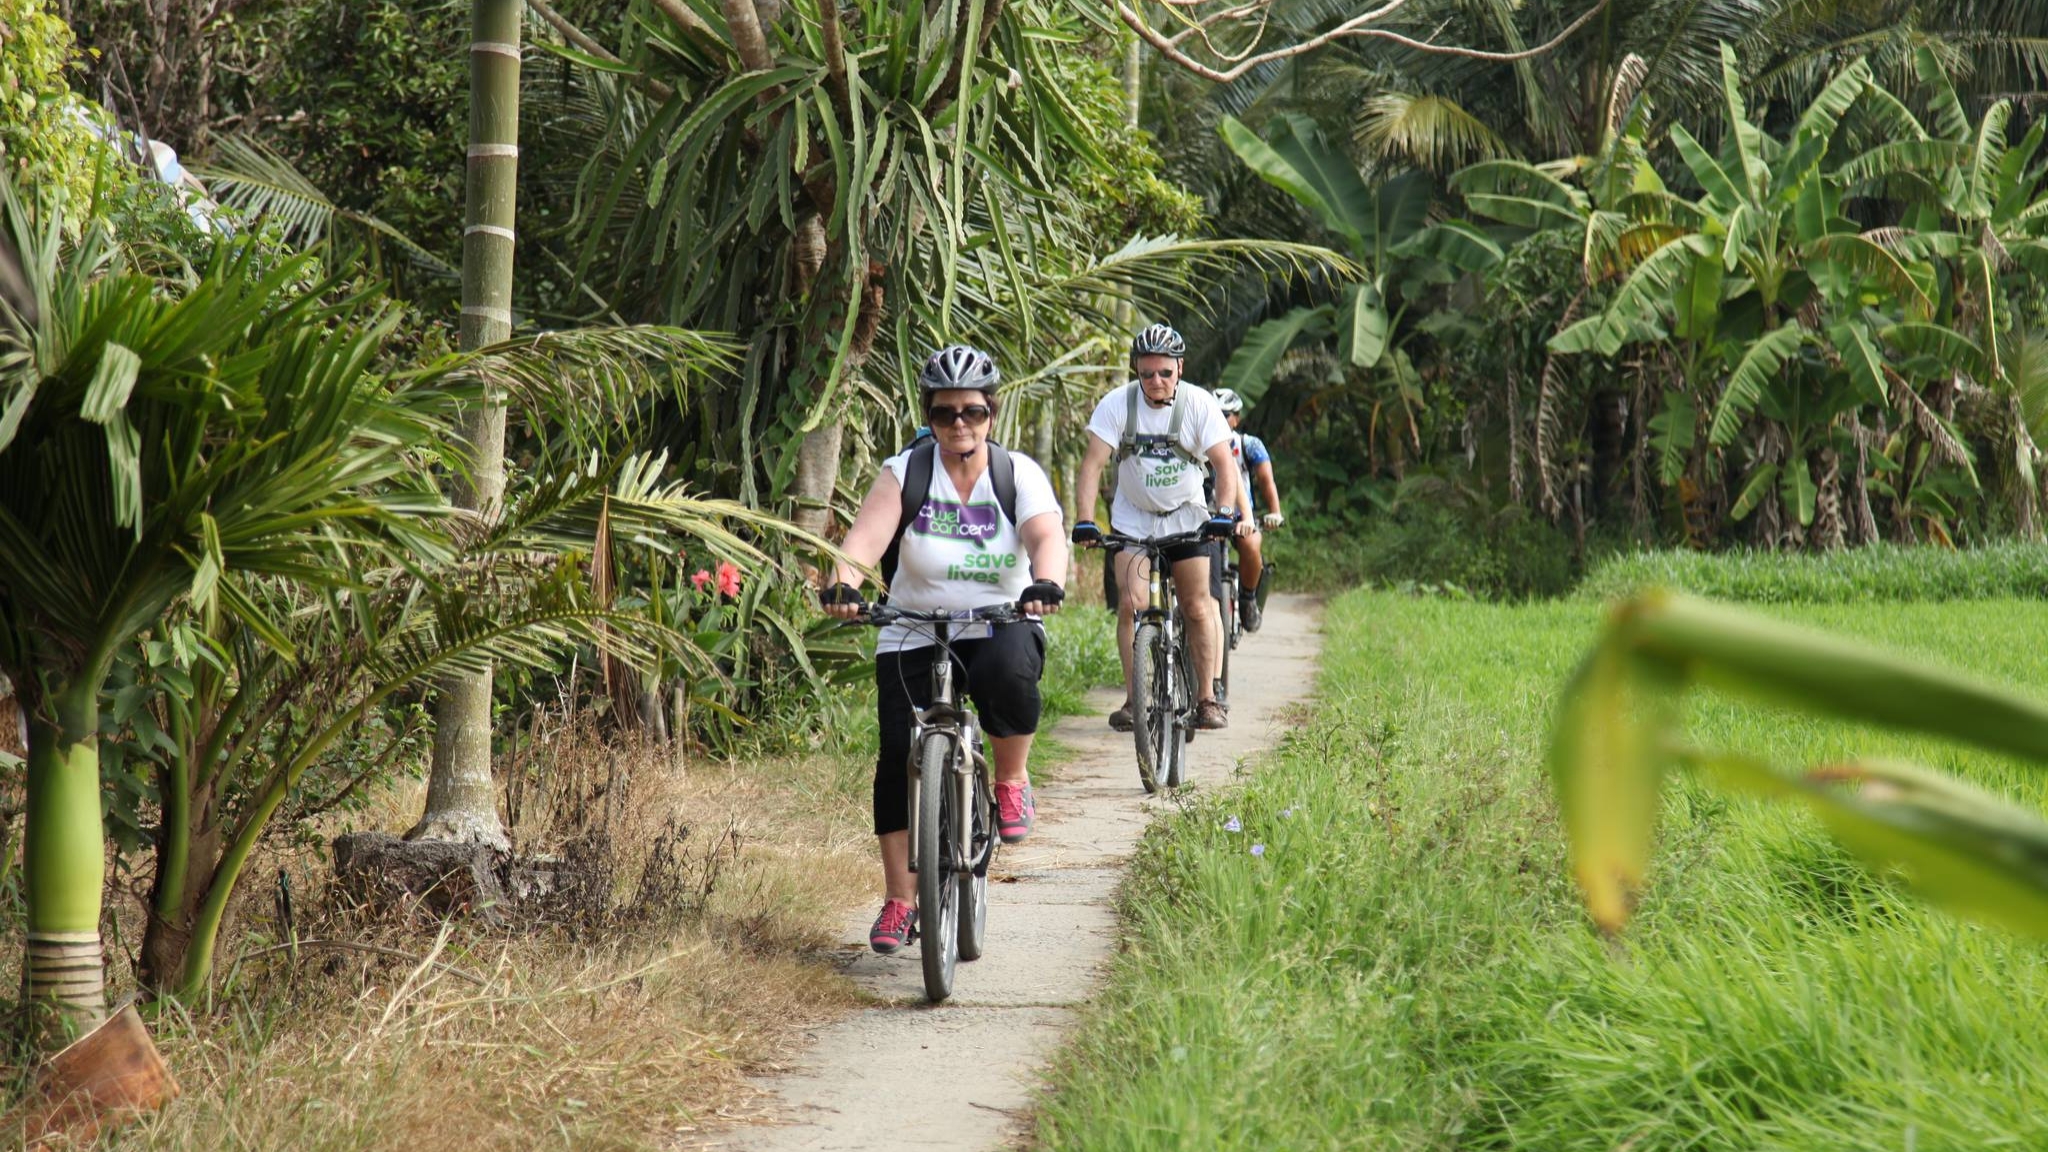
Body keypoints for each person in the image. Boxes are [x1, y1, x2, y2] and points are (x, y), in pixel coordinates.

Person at [818, 345, 1068, 955]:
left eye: (973, 412)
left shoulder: (1016, 473)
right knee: (894, 757)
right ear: (928, 416)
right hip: (913, 624)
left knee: (1009, 671)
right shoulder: (905, 472)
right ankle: (900, 900)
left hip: (996, 619)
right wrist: (845, 584)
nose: (960, 424)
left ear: (991, 414)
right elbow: (863, 541)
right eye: (945, 412)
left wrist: (1044, 582)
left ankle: (1011, 778)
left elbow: (1045, 536)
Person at [1071, 323, 1247, 734]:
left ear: (1179, 368)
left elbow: (1224, 466)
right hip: (1132, 519)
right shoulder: (1117, 404)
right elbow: (1092, 465)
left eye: (1165, 372)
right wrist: (1084, 520)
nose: (1156, 381)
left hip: (1186, 517)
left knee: (1197, 606)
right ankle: (1134, 699)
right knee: (1131, 605)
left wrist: (1224, 512)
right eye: (1147, 373)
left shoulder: (1199, 405)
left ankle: (1206, 698)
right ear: (1136, 369)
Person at [1211, 388, 1286, 632]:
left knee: (1252, 545)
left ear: (1237, 418)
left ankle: (1248, 597)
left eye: (1225, 415)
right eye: (1214, 414)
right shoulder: (1196, 442)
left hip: (1242, 515)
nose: (1220, 420)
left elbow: (1266, 480)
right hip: (1206, 513)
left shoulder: (1249, 445)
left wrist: (1274, 512)